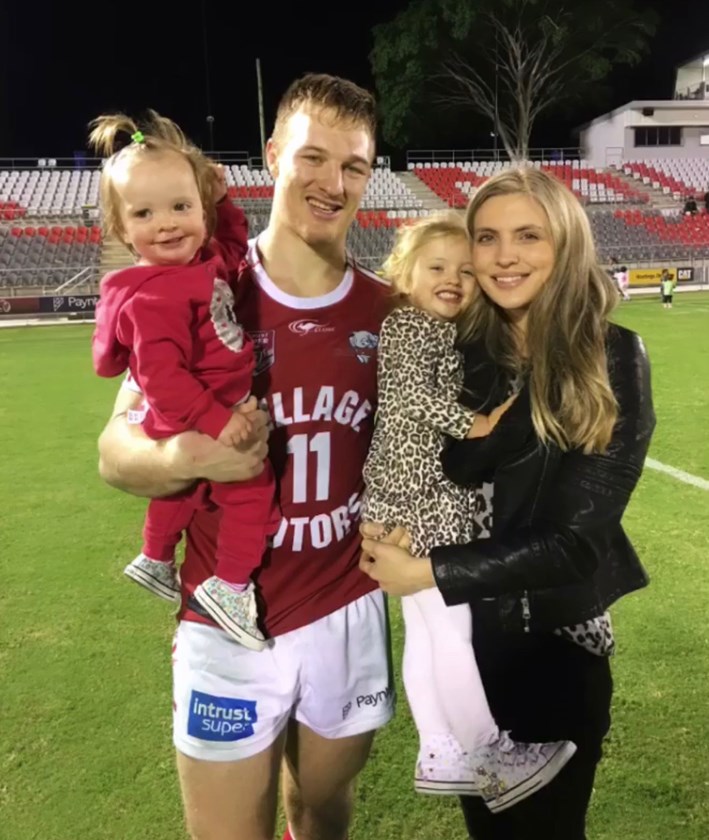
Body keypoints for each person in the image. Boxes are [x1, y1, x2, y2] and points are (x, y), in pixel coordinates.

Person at [96, 74, 394, 840]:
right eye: (312, 157)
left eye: (353, 166)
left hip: (344, 610)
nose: (332, 183)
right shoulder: (205, 283)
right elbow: (116, 450)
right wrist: (186, 460)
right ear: (272, 156)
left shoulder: (389, 311)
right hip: (226, 621)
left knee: (322, 810)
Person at [360, 168, 655, 839]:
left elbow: (575, 542)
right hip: (467, 643)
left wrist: (428, 573)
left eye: (527, 235)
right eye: (486, 237)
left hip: (553, 645)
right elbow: (424, 455)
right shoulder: (461, 350)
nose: (502, 255)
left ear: (565, 244)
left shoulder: (608, 355)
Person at [361, 212, 575, 812]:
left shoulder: (429, 327)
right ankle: (486, 752)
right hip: (418, 496)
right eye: (436, 268)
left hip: (403, 493)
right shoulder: (410, 324)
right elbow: (407, 396)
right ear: (405, 275)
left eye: (464, 271)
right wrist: (475, 423)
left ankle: (437, 749)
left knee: (428, 632)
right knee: (450, 629)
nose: (453, 279)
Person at [90, 111, 280, 650]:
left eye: (182, 207)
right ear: (123, 229)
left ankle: (154, 555)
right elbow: (162, 378)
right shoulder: (153, 298)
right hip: (202, 408)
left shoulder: (199, 265)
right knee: (252, 490)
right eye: (146, 213)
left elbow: (236, 247)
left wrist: (223, 204)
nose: (168, 223)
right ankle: (231, 585)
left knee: (189, 490)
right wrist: (219, 423)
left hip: (208, 403)